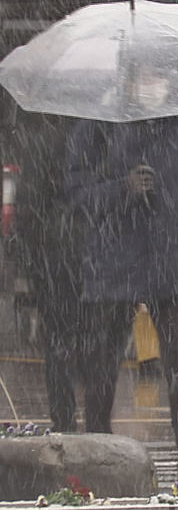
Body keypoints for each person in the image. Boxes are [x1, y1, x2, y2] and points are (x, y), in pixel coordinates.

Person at [64, 64, 178, 478]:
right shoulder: (100, 120)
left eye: (160, 72)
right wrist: (122, 188)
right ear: (128, 76)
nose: (155, 81)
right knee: (102, 360)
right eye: (146, 73)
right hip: (114, 260)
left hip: (170, 254)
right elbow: (77, 191)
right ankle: (97, 442)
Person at [13, 114, 85, 432]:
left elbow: (27, 209)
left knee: (58, 342)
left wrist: (31, 260)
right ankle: (97, 420)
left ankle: (64, 418)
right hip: (96, 256)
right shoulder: (101, 140)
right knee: (97, 342)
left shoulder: (42, 142)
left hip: (54, 258)